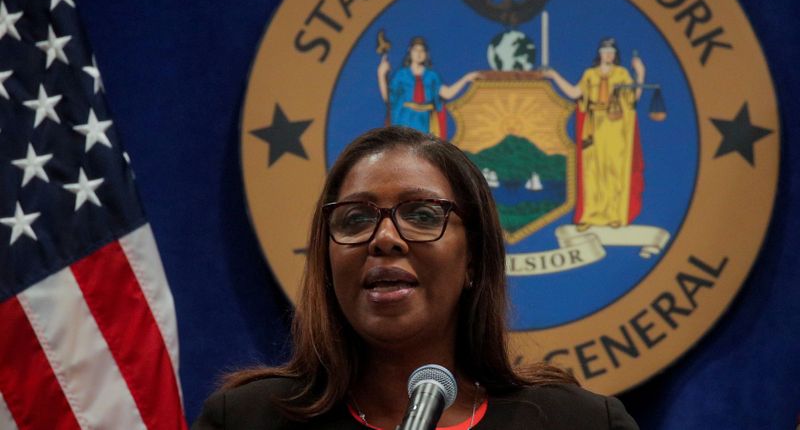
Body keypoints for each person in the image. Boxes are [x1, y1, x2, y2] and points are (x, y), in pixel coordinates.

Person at [193, 126, 639, 429]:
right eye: (354, 220)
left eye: (423, 214)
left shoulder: (580, 423)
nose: (385, 239)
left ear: (474, 261)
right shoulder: (246, 420)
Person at [542, 38, 645, 232]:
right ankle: (590, 214)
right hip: (594, 128)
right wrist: (554, 76)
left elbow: (633, 98)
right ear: (600, 53)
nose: (608, 54)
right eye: (605, 51)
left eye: (611, 51)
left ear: (615, 54)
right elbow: (574, 93)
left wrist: (640, 73)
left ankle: (614, 214)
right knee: (592, 172)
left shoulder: (622, 74)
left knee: (614, 170)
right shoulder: (590, 75)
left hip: (615, 128)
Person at [377, 37, 478, 138]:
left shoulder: (432, 76)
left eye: (422, 50)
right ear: (410, 51)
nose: (419, 53)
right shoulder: (401, 75)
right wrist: (381, 74)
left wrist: (466, 78)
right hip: (404, 120)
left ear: (426, 54)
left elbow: (447, 93)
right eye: (416, 50)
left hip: (424, 122)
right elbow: (389, 99)